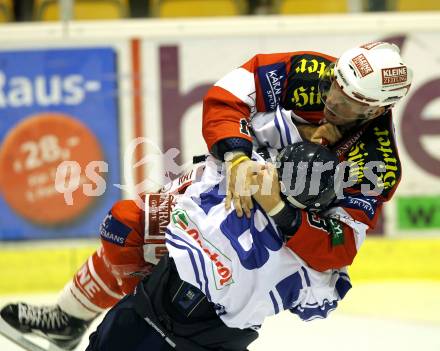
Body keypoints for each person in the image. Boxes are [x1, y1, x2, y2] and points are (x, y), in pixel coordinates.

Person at [0, 41, 412, 350]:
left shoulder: (377, 162)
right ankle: (68, 319)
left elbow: (337, 247)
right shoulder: (308, 71)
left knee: (189, 292)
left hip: (275, 234)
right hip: (230, 180)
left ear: (376, 111)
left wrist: (282, 210)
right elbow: (227, 95)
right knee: (126, 226)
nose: (332, 103)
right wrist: (236, 157)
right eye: (335, 87)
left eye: (349, 104)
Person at [85, 141, 351, 351]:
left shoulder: (231, 179)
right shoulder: (311, 266)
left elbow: (130, 219)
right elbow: (318, 307)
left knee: (123, 223)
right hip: (216, 341)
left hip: (147, 312)